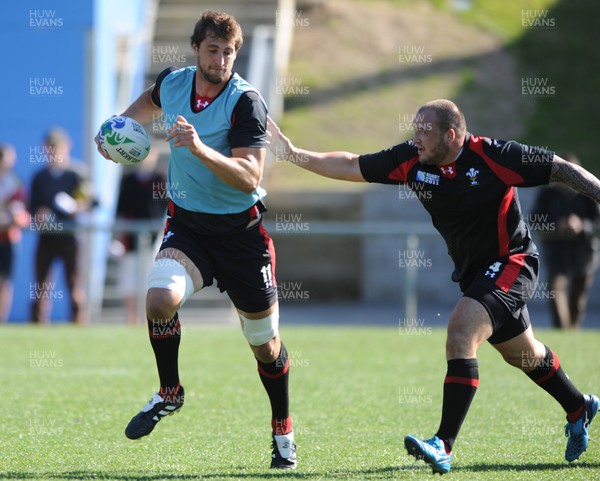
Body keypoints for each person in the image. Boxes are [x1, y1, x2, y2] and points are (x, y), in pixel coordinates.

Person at [267, 99, 599, 474]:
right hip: (476, 274)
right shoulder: (412, 159)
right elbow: (350, 164)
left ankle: (443, 444)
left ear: (452, 135)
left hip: (513, 263)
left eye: (425, 131)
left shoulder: (494, 156)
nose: (416, 138)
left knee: (461, 331)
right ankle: (579, 406)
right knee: (523, 354)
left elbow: (563, 169)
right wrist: (292, 153)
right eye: (415, 129)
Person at [94, 11, 296, 469]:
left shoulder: (247, 103)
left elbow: (251, 177)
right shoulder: (173, 83)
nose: (221, 59)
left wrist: (200, 147)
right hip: (188, 228)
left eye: (229, 52)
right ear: (196, 49)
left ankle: (282, 429)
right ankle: (170, 391)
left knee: (265, 345)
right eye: (213, 50)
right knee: (160, 299)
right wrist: (114, 134)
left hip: (242, 236)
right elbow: (141, 109)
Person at [30, 128, 94, 324]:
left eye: (56, 147)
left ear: (67, 147)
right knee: (41, 287)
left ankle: (77, 326)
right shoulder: (40, 176)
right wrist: (38, 213)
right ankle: (37, 327)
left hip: (71, 237)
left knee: (74, 286)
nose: (53, 151)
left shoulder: (77, 173)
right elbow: (31, 206)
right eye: (49, 147)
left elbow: (92, 201)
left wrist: (78, 207)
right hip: (46, 237)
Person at [531, 153, 600, 329]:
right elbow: (533, 220)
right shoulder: (546, 194)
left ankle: (573, 331)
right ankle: (562, 331)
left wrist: (581, 225)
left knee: (577, 299)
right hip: (556, 251)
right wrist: (556, 225)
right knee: (555, 290)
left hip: (584, 252)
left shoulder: (590, 193)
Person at [115, 149, 167, 324]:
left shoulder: (160, 179)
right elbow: (120, 210)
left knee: (150, 278)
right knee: (129, 279)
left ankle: (148, 319)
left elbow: (166, 209)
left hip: (153, 239)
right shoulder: (128, 180)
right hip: (130, 240)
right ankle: (131, 318)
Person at [0, 144, 29, 322]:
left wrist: (15, 218)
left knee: (5, 282)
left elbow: (22, 214)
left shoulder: (16, 182)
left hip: (8, 239)